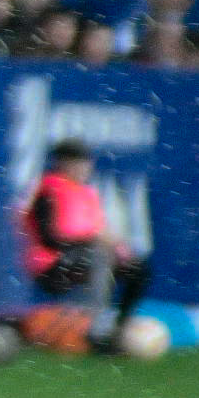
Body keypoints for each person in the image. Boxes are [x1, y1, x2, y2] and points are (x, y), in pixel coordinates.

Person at [23, 140, 150, 353]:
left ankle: (119, 325)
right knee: (99, 255)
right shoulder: (48, 190)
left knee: (137, 269)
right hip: (53, 265)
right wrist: (92, 241)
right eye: (79, 163)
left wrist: (116, 248)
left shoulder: (85, 193)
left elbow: (98, 230)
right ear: (63, 164)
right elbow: (50, 238)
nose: (85, 168)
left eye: (86, 163)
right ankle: (95, 330)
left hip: (85, 256)